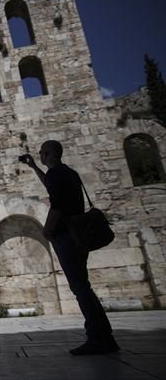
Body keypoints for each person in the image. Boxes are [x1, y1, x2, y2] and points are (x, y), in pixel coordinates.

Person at [20, 140, 119, 355]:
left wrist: (47, 231)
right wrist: (35, 167)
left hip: (65, 235)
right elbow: (52, 186)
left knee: (80, 288)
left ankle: (96, 338)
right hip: (79, 234)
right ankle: (105, 336)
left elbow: (57, 206)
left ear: (47, 153)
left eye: (41, 154)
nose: (40, 156)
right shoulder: (70, 173)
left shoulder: (57, 175)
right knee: (83, 285)